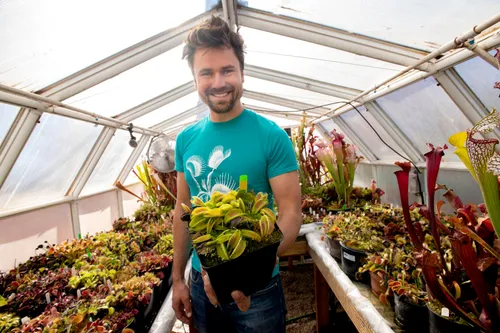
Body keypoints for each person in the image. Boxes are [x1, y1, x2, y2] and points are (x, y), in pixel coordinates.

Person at [171, 16, 302, 333]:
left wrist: (251, 270)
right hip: (202, 285)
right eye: (206, 73)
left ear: (242, 73)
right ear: (195, 79)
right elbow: (182, 211)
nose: (218, 82)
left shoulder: (271, 136)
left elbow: (290, 211)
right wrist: (178, 279)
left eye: (227, 70)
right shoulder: (186, 140)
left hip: (259, 290)